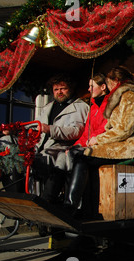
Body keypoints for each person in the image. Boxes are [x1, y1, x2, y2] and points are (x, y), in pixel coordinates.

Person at [64, 66, 134, 216]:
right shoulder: (120, 98)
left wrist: (98, 139)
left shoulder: (130, 96)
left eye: (108, 82)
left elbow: (125, 129)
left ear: (115, 81)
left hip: (133, 144)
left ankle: (71, 207)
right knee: (84, 156)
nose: (108, 85)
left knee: (83, 157)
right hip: (121, 143)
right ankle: (88, 209)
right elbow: (112, 127)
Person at [37, 74, 89, 203]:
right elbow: (36, 127)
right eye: (56, 89)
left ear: (70, 89)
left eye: (63, 88)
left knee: (44, 159)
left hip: (62, 147)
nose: (59, 92)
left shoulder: (80, 107)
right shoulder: (47, 107)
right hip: (40, 146)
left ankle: (46, 201)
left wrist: (51, 129)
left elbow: (76, 131)